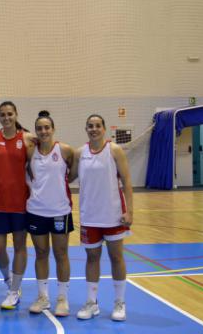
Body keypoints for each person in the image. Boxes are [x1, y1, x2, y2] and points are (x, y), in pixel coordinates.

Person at [69, 114, 133, 322]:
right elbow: (66, 177)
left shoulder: (114, 150)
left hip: (113, 215)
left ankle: (119, 303)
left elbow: (127, 180)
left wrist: (129, 210)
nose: (94, 129)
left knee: (116, 258)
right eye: (90, 126)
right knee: (92, 258)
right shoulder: (80, 153)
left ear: (104, 129)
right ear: (86, 129)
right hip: (89, 216)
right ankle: (91, 303)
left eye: (97, 126)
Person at [0, 101, 34, 310]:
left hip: (20, 203)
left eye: (10, 114)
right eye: (2, 115)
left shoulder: (28, 139)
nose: (6, 118)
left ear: (16, 114)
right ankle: (8, 280)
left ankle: (14, 291)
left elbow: (38, 166)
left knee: (20, 246)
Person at [26, 110, 74, 316]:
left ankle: (62, 298)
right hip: (36, 210)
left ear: (53, 129)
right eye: (39, 128)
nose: (44, 131)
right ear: (35, 131)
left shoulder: (64, 150)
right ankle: (43, 296)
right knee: (41, 253)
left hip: (59, 211)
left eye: (47, 127)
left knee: (61, 253)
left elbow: (73, 172)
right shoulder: (30, 152)